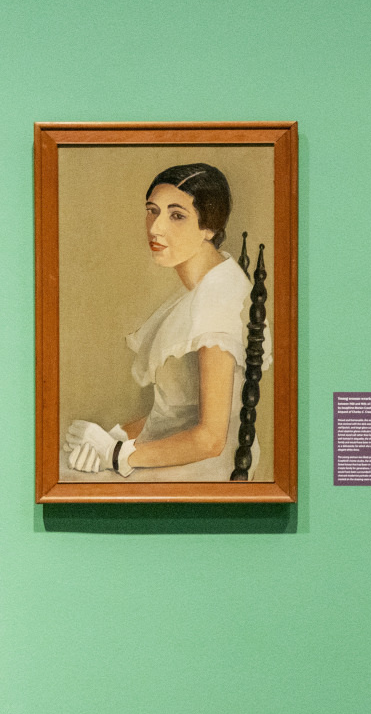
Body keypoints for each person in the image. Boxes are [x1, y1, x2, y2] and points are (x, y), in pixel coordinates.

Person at [62, 163, 266, 482]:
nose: (155, 228)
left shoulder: (214, 301)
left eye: (176, 215)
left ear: (209, 227)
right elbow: (174, 414)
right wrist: (111, 436)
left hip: (204, 468)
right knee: (64, 466)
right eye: (152, 211)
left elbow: (210, 439)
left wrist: (115, 454)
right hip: (173, 450)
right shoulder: (201, 288)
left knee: (64, 480)